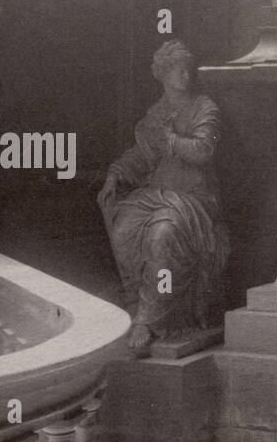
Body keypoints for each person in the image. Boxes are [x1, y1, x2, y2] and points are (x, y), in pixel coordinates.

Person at [98, 41, 229, 357]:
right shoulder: (155, 114)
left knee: (162, 236)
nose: (184, 75)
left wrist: (171, 139)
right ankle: (136, 305)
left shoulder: (204, 107)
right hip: (156, 195)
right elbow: (142, 156)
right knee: (123, 229)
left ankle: (149, 319)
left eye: (187, 69)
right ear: (162, 75)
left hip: (194, 200)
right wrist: (115, 173)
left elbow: (203, 150)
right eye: (176, 70)